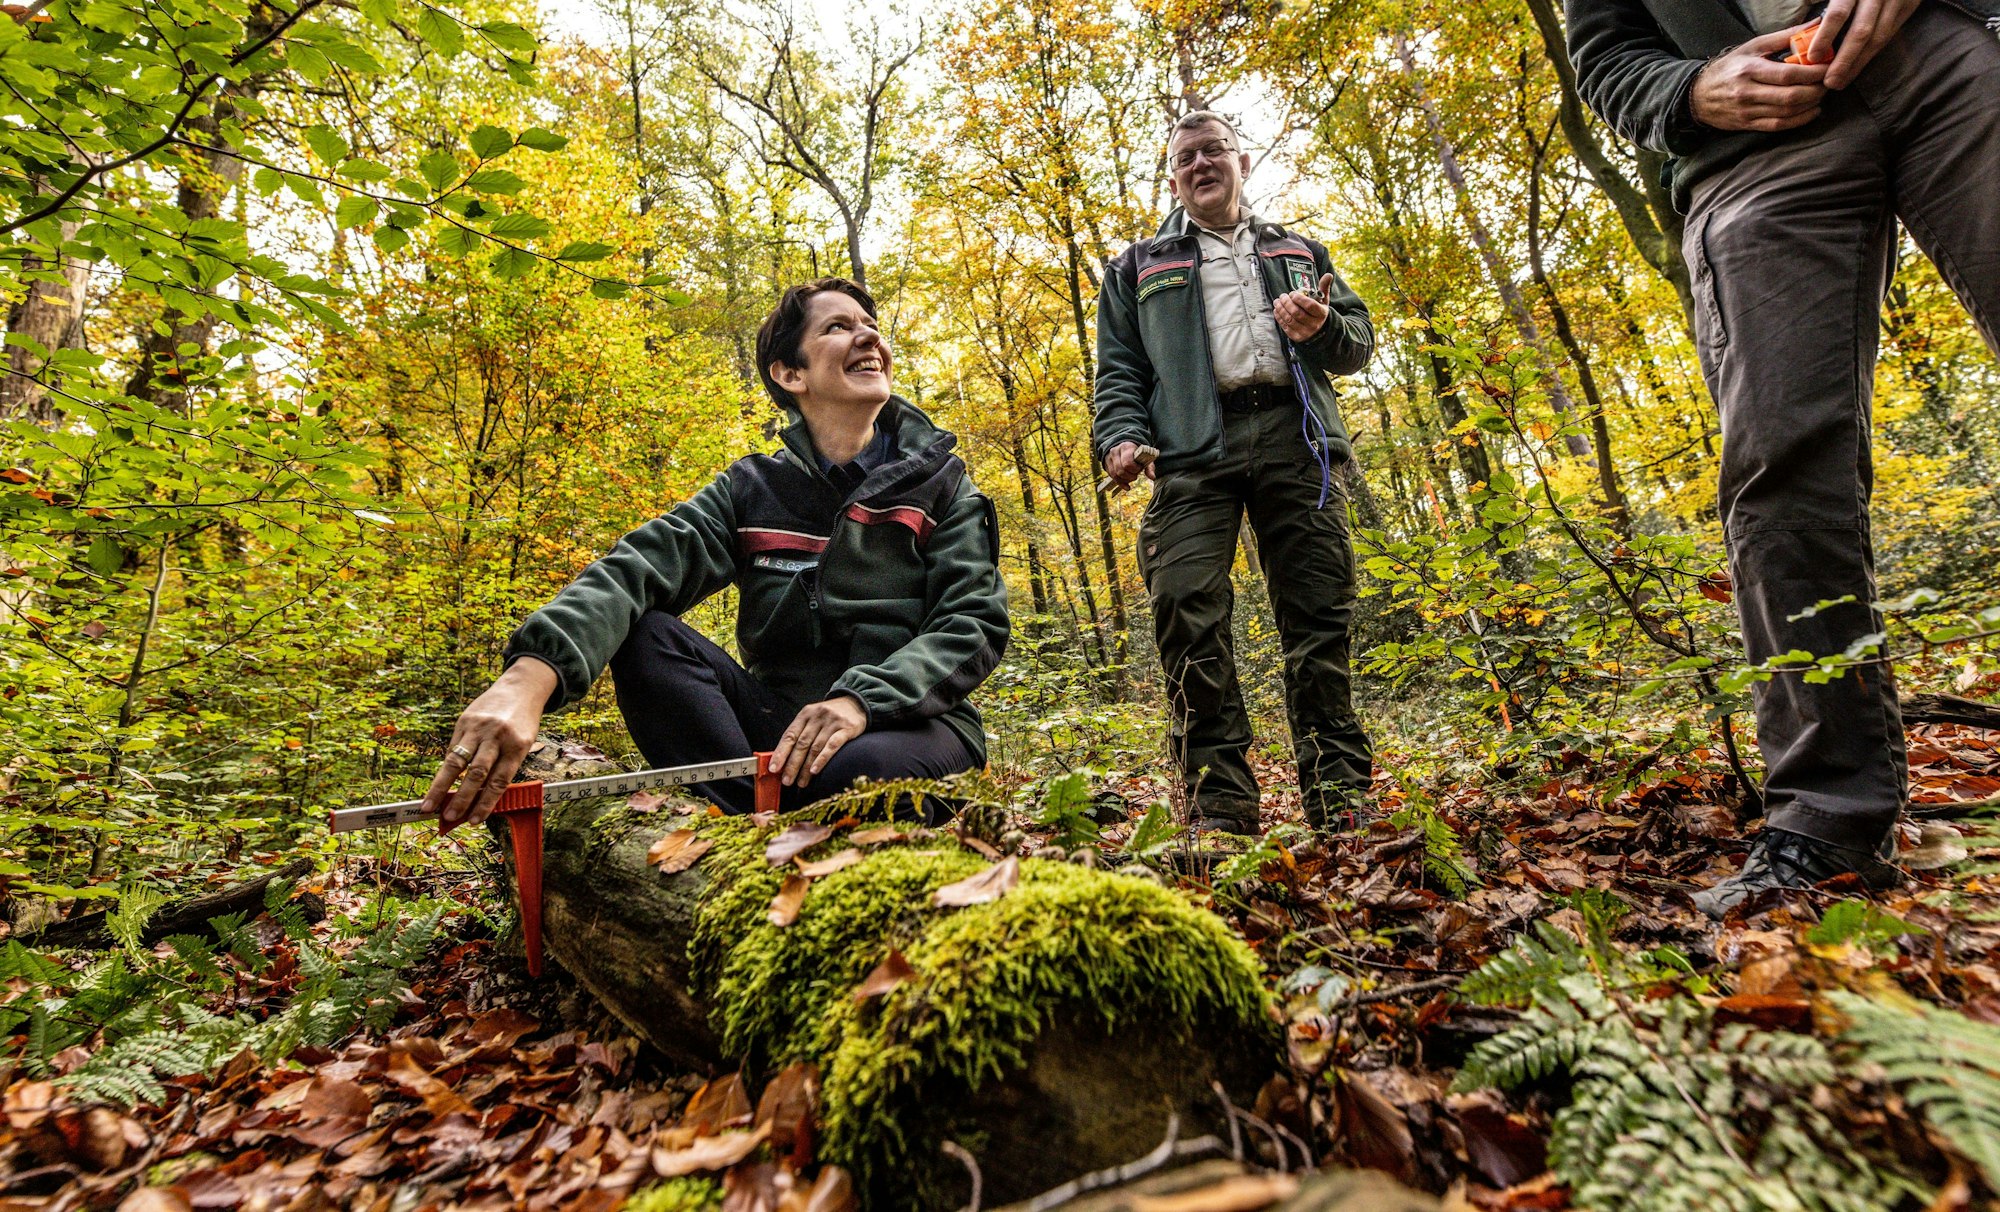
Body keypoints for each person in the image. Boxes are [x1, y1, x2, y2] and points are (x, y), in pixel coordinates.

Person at [1566, 0, 2000, 915]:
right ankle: (1827, 825)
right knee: (1776, 465)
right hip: (1752, 148)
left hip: (1946, 43)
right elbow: (1605, 55)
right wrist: (1690, 91)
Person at [421, 278, 1009, 830]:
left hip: (910, 724)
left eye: (870, 326)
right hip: (778, 731)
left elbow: (973, 623)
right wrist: (527, 680)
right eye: (838, 327)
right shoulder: (751, 489)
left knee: (855, 776)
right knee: (647, 636)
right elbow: (637, 568)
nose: (868, 337)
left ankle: (780, 822)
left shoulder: (943, 486)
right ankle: (747, 833)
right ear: (790, 373)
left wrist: (860, 701)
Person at [1094, 110, 1377, 836]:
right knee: (1184, 607)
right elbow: (1118, 372)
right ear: (1173, 179)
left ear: (1241, 161)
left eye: (1213, 150)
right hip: (1191, 451)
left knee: (1318, 614)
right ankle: (1219, 807)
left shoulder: (1299, 249)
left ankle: (1340, 797)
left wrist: (1323, 328)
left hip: (1296, 439)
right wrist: (1121, 436)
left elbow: (1356, 344)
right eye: (1185, 157)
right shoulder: (1136, 266)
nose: (1200, 164)